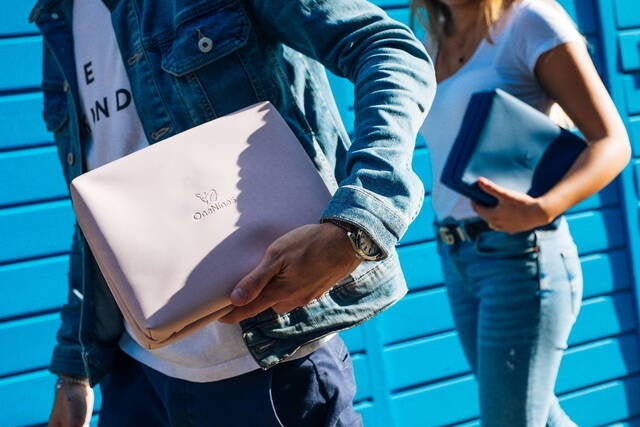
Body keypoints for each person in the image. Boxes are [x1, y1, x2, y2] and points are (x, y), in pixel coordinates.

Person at [31, 0, 435, 425]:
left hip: (271, 362)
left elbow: (388, 48)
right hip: (135, 376)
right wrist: (74, 369)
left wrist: (358, 223)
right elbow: (97, 216)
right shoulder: (60, 16)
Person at [411, 0, 630, 425]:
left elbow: (612, 142)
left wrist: (543, 208)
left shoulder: (531, 21)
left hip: (520, 258)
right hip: (456, 256)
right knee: (537, 416)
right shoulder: (431, 41)